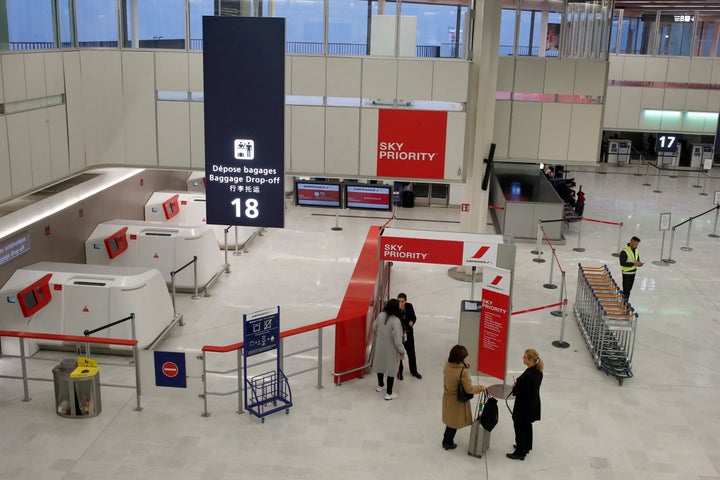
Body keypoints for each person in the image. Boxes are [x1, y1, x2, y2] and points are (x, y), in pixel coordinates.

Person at [441, 345, 486, 450]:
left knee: (450, 420)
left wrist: (464, 366)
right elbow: (469, 389)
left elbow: (454, 373)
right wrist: (481, 388)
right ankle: (448, 442)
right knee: (454, 423)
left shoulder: (447, 365)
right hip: (457, 400)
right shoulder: (463, 372)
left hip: (448, 397)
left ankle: (446, 440)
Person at [507, 348, 544, 461]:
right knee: (527, 425)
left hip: (523, 407)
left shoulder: (527, 376)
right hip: (532, 404)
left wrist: (515, 387)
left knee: (519, 427)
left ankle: (520, 452)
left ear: (530, 360)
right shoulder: (538, 372)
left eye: (525, 357)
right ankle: (526, 446)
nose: (523, 359)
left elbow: (520, 391)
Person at [373, 298, 406, 401]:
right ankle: (389, 393)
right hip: (391, 349)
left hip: (379, 346)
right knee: (391, 369)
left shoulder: (380, 315)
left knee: (380, 365)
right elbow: (397, 339)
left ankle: (380, 385)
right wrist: (402, 350)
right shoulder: (396, 321)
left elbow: (375, 327)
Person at [397, 293, 421, 380]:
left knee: (411, 353)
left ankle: (414, 371)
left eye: (402, 301)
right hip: (399, 335)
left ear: (405, 301)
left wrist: (412, 322)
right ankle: (400, 372)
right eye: (399, 301)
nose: (401, 303)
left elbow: (414, 317)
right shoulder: (396, 309)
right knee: (399, 354)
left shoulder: (409, 306)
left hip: (408, 334)